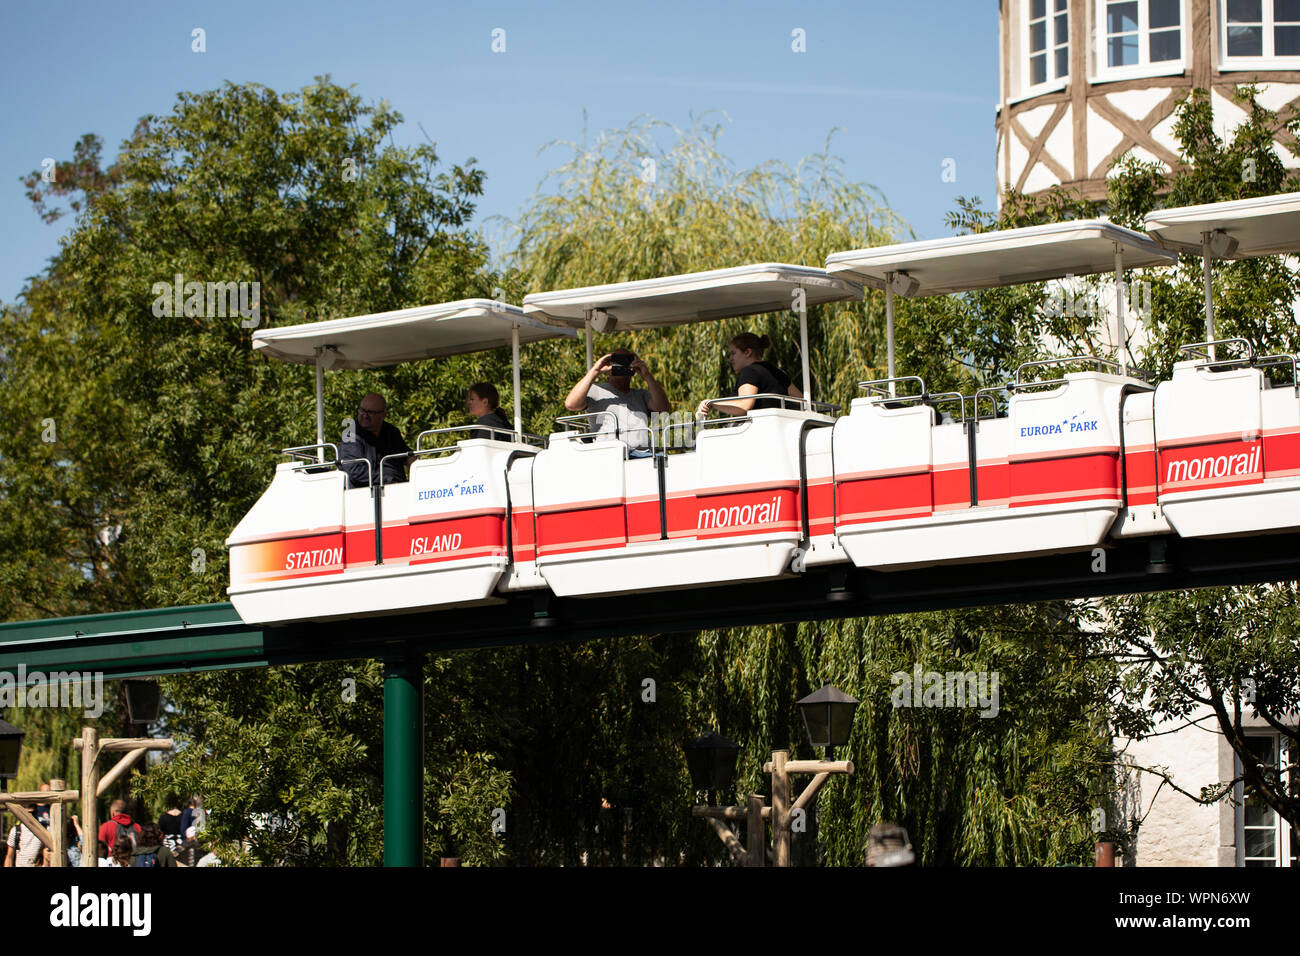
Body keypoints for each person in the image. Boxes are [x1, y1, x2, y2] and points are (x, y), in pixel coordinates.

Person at [564, 349, 669, 457]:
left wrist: (647, 375)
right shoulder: (596, 390)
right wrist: (595, 370)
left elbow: (662, 408)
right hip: (611, 455)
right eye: (617, 361)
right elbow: (571, 404)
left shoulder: (641, 394)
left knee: (665, 459)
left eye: (627, 361)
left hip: (644, 454)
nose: (622, 366)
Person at [697, 332, 802, 418]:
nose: (730, 358)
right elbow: (800, 400)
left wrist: (712, 403)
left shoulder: (750, 372)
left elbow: (744, 406)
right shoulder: (777, 372)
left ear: (747, 352)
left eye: (733, 353)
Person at [339, 392, 413, 489]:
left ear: (383, 415)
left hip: (400, 486)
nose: (365, 415)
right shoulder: (350, 436)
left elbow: (407, 454)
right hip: (368, 491)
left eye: (370, 412)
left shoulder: (392, 432)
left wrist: (413, 462)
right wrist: (388, 481)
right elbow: (354, 471)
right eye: (362, 410)